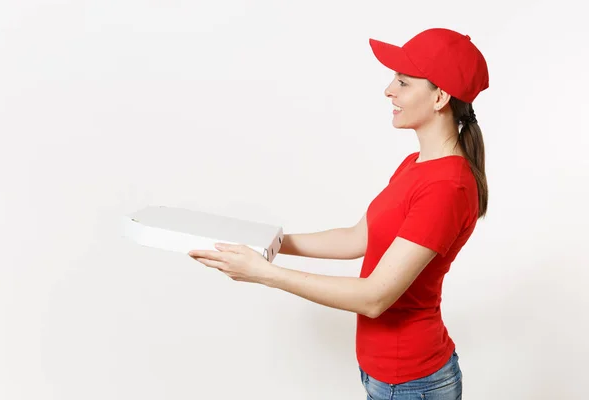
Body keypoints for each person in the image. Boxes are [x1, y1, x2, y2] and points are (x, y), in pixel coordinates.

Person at [189, 27, 489, 400]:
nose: (389, 91)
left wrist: (264, 273)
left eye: (403, 82)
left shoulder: (447, 187)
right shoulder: (416, 165)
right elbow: (356, 237)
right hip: (387, 376)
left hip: (412, 383)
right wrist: (270, 243)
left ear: (440, 97)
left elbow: (374, 297)